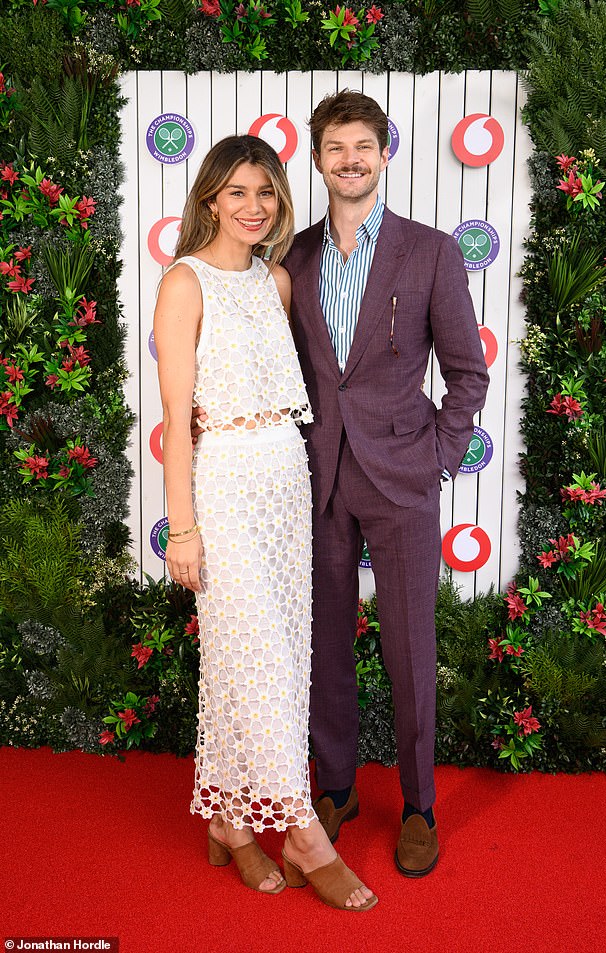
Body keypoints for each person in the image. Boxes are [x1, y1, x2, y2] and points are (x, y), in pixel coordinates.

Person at [193, 91, 489, 877]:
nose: (350, 160)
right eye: (335, 148)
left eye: (364, 146)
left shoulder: (429, 252)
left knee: (408, 649)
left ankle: (420, 803)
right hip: (309, 482)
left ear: (383, 154)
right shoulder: (290, 259)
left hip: (403, 480)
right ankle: (334, 788)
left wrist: (439, 457)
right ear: (317, 160)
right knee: (319, 647)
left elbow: (466, 373)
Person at [153, 134, 377, 911]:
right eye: (238, 192)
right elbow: (177, 417)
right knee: (257, 658)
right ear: (210, 197)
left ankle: (228, 820)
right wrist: (182, 528)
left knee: (270, 658)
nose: (255, 206)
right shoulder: (184, 282)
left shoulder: (276, 281)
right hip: (224, 484)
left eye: (268, 192)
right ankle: (301, 833)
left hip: (287, 483)